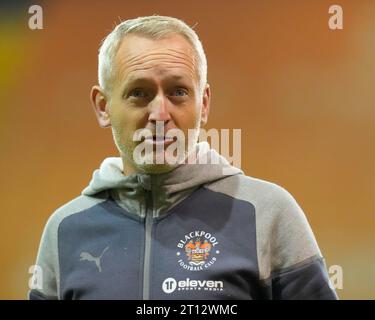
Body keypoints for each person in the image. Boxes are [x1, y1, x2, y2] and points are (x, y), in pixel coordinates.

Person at [29, 15, 338, 300]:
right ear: (103, 106)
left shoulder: (269, 213)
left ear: (203, 105)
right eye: (139, 93)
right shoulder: (64, 229)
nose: (160, 114)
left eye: (178, 92)